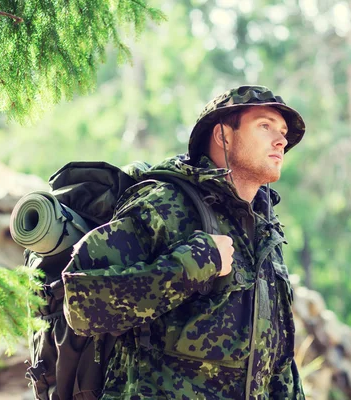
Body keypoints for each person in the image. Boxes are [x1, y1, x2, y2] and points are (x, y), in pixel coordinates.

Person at [62, 85, 306, 399]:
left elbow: (276, 360)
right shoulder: (165, 204)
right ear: (223, 135)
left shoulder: (264, 231)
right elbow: (83, 306)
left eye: (284, 132)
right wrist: (190, 267)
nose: (281, 140)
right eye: (264, 126)